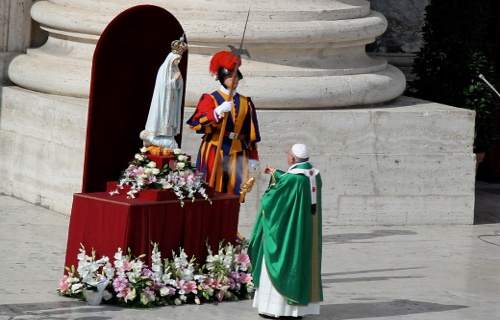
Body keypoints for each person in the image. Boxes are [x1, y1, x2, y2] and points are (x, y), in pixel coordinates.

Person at [249, 143, 323, 318]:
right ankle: (298, 310)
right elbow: (292, 185)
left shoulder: (293, 179)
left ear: (293, 158)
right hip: (305, 231)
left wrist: (267, 196)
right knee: (301, 262)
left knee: (283, 262)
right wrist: (276, 173)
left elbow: (273, 200)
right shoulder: (314, 175)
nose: (287, 156)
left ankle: (276, 309)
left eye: (288, 154)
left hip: (287, 232)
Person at [187, 50, 261, 195]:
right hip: (215, 149)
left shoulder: (246, 102)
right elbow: (195, 124)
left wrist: (253, 157)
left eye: (236, 77)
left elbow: (251, 133)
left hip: (239, 151)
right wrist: (216, 112)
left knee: (235, 192)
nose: (234, 80)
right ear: (221, 78)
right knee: (211, 191)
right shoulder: (210, 98)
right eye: (229, 77)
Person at [140, 36, 187, 149]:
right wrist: (174, 81)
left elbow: (179, 87)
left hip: (172, 102)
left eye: (179, 60)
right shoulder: (164, 70)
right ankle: (153, 136)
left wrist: (179, 82)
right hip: (164, 101)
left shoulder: (176, 70)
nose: (178, 62)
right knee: (163, 118)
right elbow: (162, 87)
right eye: (176, 60)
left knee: (170, 124)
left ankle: (166, 135)